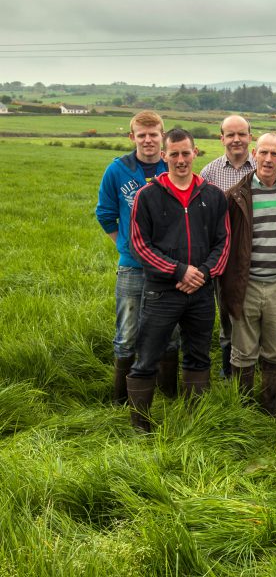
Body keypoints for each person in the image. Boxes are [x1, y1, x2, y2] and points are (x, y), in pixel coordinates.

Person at [126, 129, 230, 432]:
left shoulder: (212, 195)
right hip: (162, 293)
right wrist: (178, 271)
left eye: (186, 153)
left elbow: (223, 243)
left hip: (201, 292)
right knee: (147, 356)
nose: (181, 160)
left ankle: (194, 420)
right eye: (174, 154)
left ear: (195, 153)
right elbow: (140, 245)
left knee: (198, 356)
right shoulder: (148, 196)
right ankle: (140, 426)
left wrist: (203, 273)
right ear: (164, 156)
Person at [95, 110, 178, 404]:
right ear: (132, 137)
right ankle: (122, 398)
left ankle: (169, 394)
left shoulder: (173, 168)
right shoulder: (117, 170)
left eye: (153, 134)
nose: (148, 140)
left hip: (170, 268)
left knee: (169, 332)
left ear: (162, 137)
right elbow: (105, 214)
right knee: (127, 334)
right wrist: (125, 246)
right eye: (141, 135)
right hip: (132, 268)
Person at [220, 133, 276, 421]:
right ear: (254, 154)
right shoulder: (235, 195)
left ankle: (273, 406)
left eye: (275, 154)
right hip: (247, 284)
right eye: (264, 153)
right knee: (242, 350)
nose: (268, 159)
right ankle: (241, 409)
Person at [200, 115, 254, 377]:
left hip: (255, 256)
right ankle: (227, 371)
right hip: (220, 257)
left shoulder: (263, 168)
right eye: (230, 135)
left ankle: (253, 368)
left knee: (254, 315)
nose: (236, 140)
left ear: (250, 137)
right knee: (227, 316)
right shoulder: (209, 173)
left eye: (241, 134)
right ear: (221, 138)